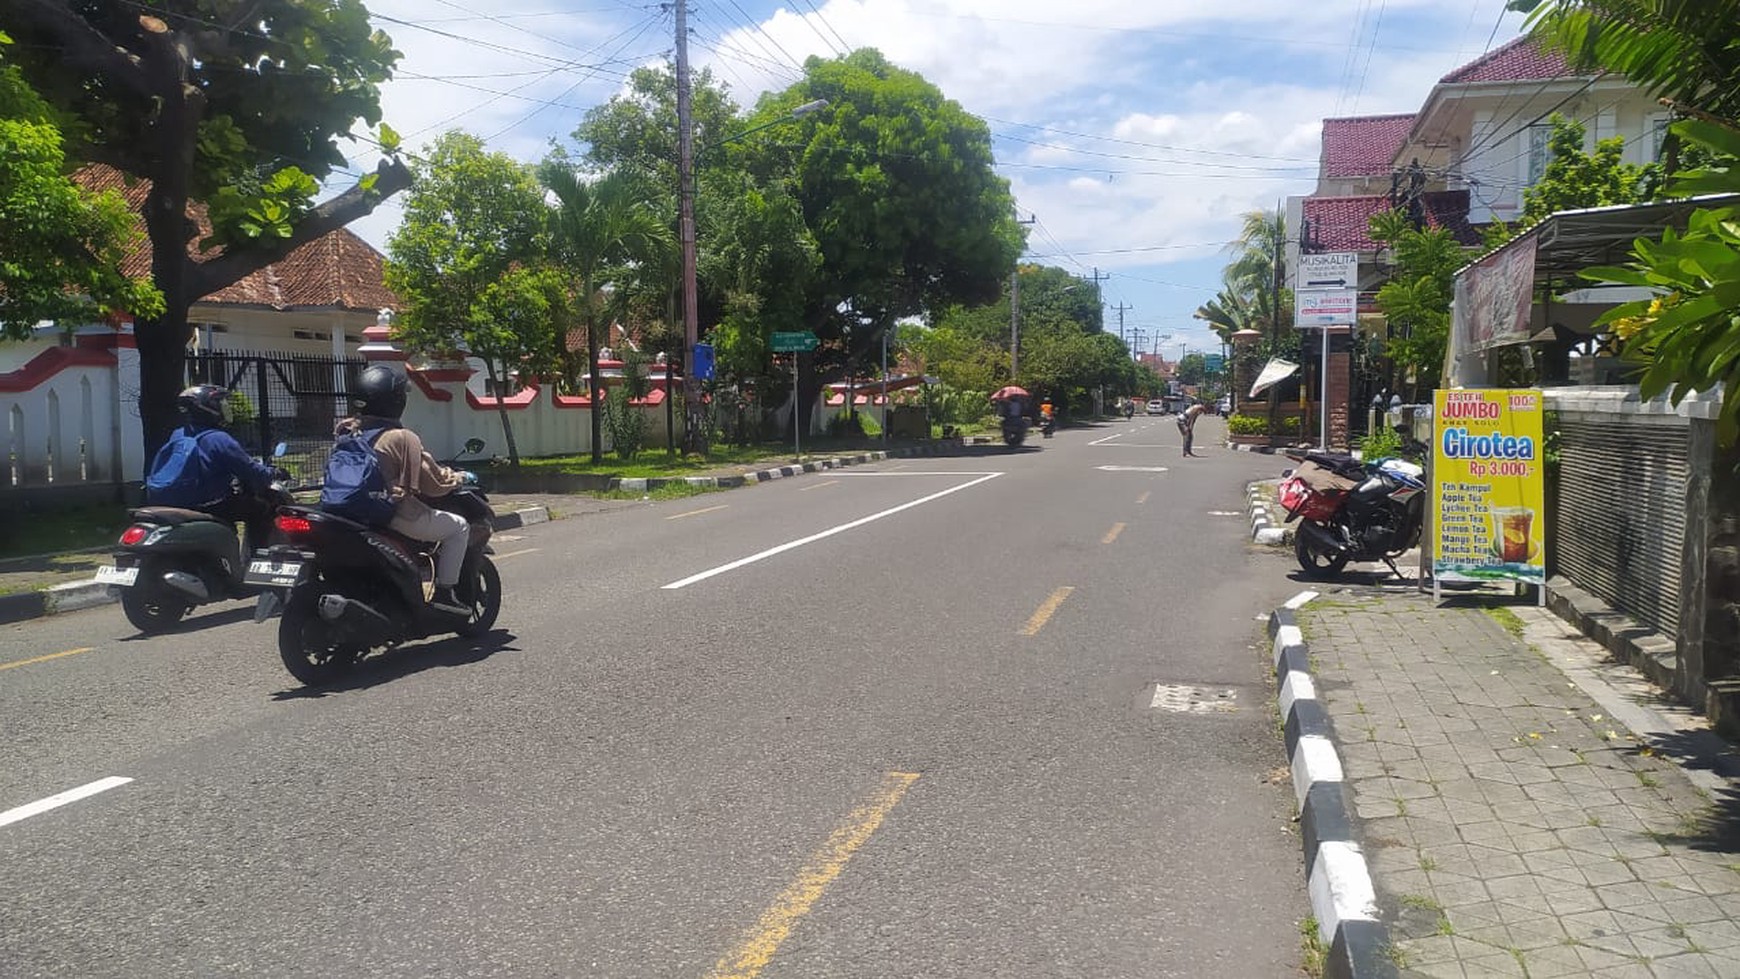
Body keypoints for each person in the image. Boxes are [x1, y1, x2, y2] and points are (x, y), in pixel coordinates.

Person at [340, 365, 473, 615]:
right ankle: (445, 592)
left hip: (350, 514)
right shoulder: (400, 437)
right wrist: (456, 479)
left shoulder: (347, 432)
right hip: (392, 514)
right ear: (397, 400)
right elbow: (433, 485)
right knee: (459, 527)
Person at [144, 384, 286, 556]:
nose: (223, 407)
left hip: (171, 502)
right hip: (209, 504)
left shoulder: (178, 434)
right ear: (208, 408)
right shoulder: (218, 439)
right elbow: (250, 470)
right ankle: (258, 557)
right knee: (262, 509)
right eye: (219, 403)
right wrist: (273, 472)